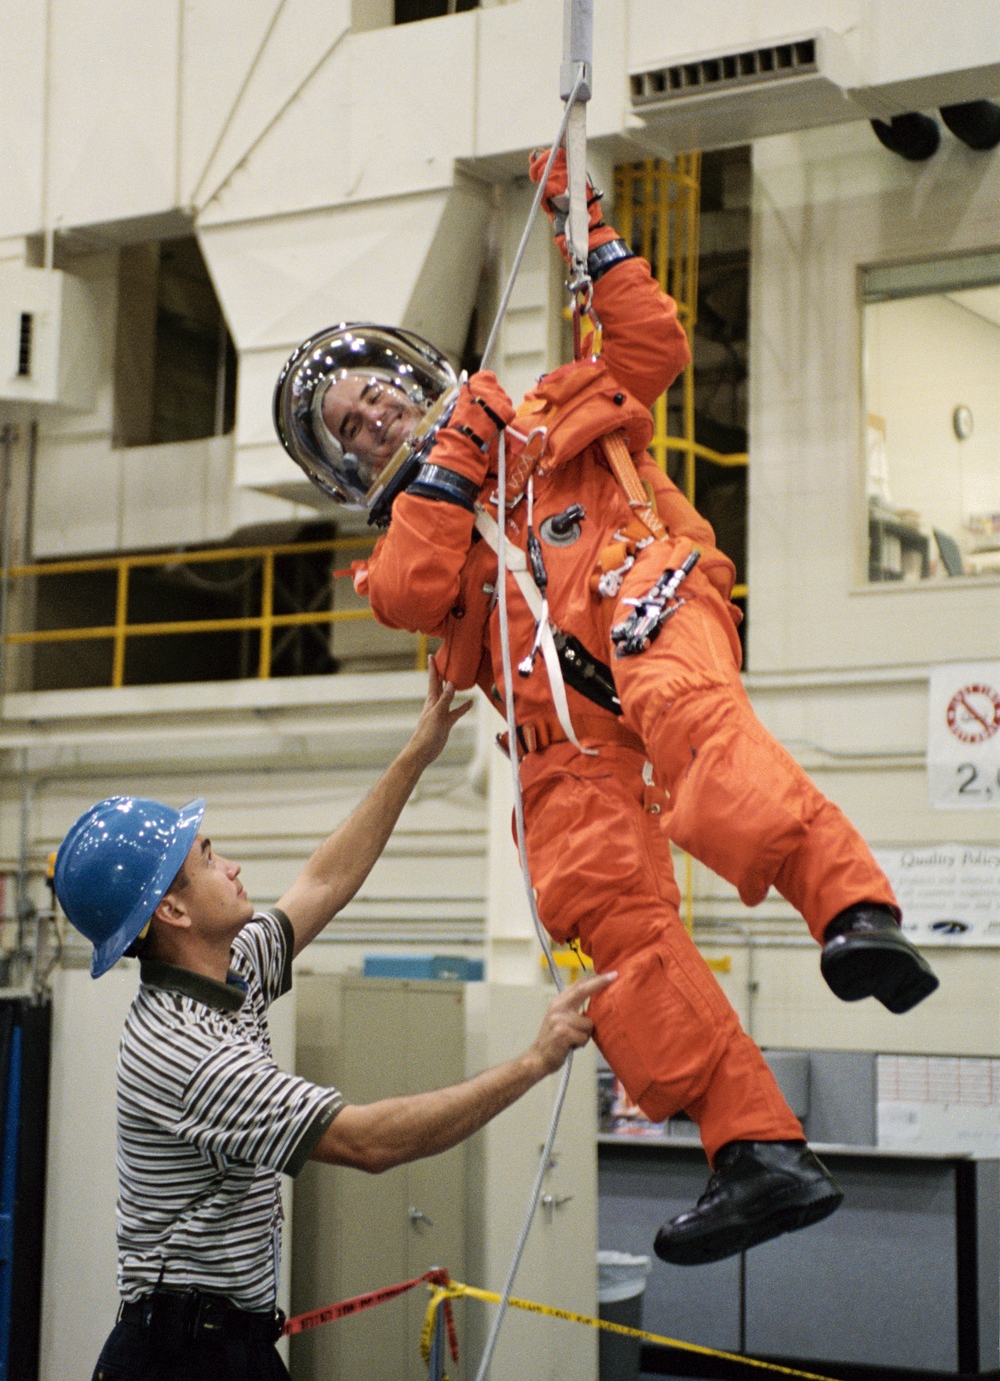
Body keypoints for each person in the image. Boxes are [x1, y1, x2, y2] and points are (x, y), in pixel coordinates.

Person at [272, 148, 939, 1268]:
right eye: (350, 423)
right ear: (347, 465)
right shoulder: (406, 547)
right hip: (563, 739)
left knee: (694, 729)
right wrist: (451, 463)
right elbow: (415, 591)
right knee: (600, 909)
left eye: (375, 389)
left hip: (647, 604)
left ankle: (853, 914)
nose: (373, 413)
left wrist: (586, 225)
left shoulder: (546, 410)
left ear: (414, 369)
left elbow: (649, 345)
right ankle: (754, 1146)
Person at [53, 667, 611, 1381]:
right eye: (208, 857)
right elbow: (369, 1140)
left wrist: (418, 750)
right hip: (183, 1357)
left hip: (226, 1341)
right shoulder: (185, 1050)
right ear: (172, 912)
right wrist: (532, 1061)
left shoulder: (232, 968)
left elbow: (323, 882)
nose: (233, 864)